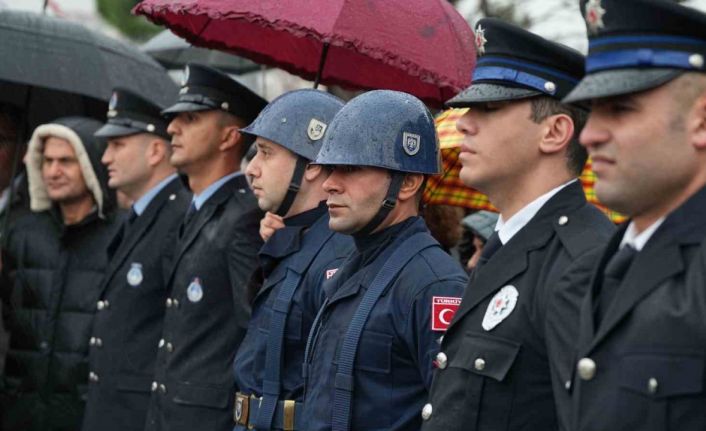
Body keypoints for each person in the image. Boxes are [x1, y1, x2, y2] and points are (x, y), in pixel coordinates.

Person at [421, 18, 615, 431]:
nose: (464, 122)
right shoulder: (504, 247)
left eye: (488, 109)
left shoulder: (582, 261)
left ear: (555, 132)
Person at [559, 1, 706, 429]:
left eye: (620, 109)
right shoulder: (612, 257)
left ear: (701, 120)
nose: (589, 134)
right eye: (592, 111)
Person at [301, 90, 467, 431]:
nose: (329, 184)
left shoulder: (435, 285)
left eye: (349, 168)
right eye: (330, 168)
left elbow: (454, 416)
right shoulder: (348, 267)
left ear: (407, 182)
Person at [143, 63, 266, 431]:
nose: (171, 129)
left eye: (191, 118)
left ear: (229, 137)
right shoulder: (196, 209)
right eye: (174, 119)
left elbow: (253, 333)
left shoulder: (244, 218)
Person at [232, 89, 355, 430]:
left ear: (313, 166)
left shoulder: (338, 252)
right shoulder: (294, 239)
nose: (251, 169)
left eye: (266, 153)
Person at [0, 116, 119, 431]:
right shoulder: (21, 232)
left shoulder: (122, 235)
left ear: (92, 163)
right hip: (20, 410)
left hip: (86, 411)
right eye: (47, 161)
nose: (53, 171)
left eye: (66, 161)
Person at [81, 89, 190, 431]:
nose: (105, 157)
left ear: (156, 150)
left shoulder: (180, 216)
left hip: (141, 413)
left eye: (118, 145)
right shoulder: (139, 214)